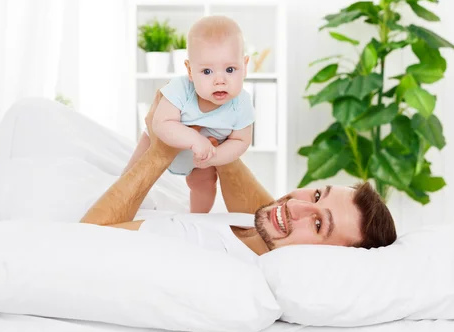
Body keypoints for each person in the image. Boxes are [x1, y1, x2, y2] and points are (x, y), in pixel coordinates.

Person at [80, 90, 397, 264]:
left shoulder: (203, 250)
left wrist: (163, 148)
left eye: (318, 224)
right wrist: (217, 140)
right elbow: (263, 210)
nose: (295, 208)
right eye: (315, 195)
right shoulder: (262, 233)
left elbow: (84, 241)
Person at [123, 15, 255, 213]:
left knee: (205, 182)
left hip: (202, 158)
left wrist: (215, 157)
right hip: (159, 145)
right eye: (207, 71)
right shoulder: (180, 88)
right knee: (135, 170)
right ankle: (126, 198)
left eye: (230, 69)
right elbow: (161, 123)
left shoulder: (242, 103)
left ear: (244, 66)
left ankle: (197, 216)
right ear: (190, 71)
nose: (220, 80)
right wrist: (193, 138)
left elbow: (241, 141)